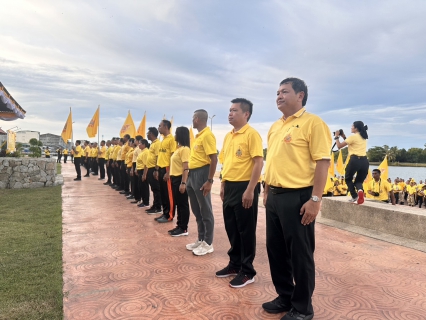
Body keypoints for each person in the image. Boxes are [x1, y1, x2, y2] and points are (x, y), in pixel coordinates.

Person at [262, 78, 331, 320]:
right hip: (275, 196)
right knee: (276, 249)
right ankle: (285, 296)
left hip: (299, 196)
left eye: (284, 91)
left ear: (300, 95)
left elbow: (323, 161)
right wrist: (266, 189)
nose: (279, 96)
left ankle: (302, 308)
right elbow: (273, 160)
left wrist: (315, 199)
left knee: (300, 254)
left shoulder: (313, 123)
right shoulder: (275, 126)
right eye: (277, 92)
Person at [216, 98, 263, 288]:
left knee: (246, 230)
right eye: (229, 110)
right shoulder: (228, 136)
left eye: (234, 110)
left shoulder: (252, 135)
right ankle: (234, 264)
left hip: (245, 186)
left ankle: (247, 271)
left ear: (246, 114)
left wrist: (250, 189)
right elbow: (226, 162)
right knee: (232, 228)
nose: (230, 113)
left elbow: (258, 162)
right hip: (230, 187)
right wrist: (222, 184)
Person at [186, 109, 218, 256]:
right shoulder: (198, 137)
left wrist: (209, 180)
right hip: (192, 174)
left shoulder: (207, 135)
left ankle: (208, 242)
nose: (192, 120)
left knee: (205, 209)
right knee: (196, 209)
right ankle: (200, 238)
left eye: (193, 118)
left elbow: (213, 159)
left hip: (202, 173)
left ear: (198, 119)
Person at [334, 121, 369, 204]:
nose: (351, 127)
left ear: (356, 128)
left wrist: (336, 137)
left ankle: (354, 196)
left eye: (352, 126)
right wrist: (343, 136)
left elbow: (339, 146)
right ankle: (360, 191)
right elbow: (350, 143)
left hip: (355, 160)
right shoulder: (363, 137)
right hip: (364, 161)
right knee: (359, 181)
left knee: (348, 178)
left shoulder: (353, 137)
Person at [168, 126, 191, 236]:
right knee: (178, 203)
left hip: (180, 179)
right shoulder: (178, 149)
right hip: (174, 178)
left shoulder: (185, 149)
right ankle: (179, 225)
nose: (174, 136)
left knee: (183, 204)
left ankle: (183, 228)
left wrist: (183, 183)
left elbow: (186, 168)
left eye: (176, 133)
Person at [155, 120, 177, 223]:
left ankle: (169, 215)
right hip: (161, 168)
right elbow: (160, 155)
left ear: (166, 127)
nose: (158, 128)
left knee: (168, 194)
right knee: (163, 193)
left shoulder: (171, 139)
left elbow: (173, 155)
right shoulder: (163, 139)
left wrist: (168, 172)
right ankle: (164, 213)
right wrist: (157, 169)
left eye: (160, 126)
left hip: (167, 168)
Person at [143, 127, 162, 214]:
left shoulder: (157, 143)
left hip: (154, 168)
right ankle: (155, 205)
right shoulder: (152, 144)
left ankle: (158, 207)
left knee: (156, 189)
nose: (147, 135)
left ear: (151, 134)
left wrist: (156, 170)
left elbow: (158, 157)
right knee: (154, 189)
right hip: (150, 168)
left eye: (148, 133)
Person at [136, 139, 150, 207]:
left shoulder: (146, 152)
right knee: (141, 186)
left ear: (144, 144)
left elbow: (146, 164)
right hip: (140, 170)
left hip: (143, 170)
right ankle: (143, 200)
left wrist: (144, 174)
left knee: (144, 187)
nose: (139, 145)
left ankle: (146, 202)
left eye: (140, 143)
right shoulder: (142, 151)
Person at [129, 136, 142, 203]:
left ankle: (138, 198)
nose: (134, 141)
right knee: (135, 182)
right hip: (134, 164)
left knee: (137, 182)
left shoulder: (139, 149)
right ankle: (136, 197)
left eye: (135, 140)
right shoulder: (136, 148)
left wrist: (136, 168)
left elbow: (138, 159)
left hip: (137, 165)